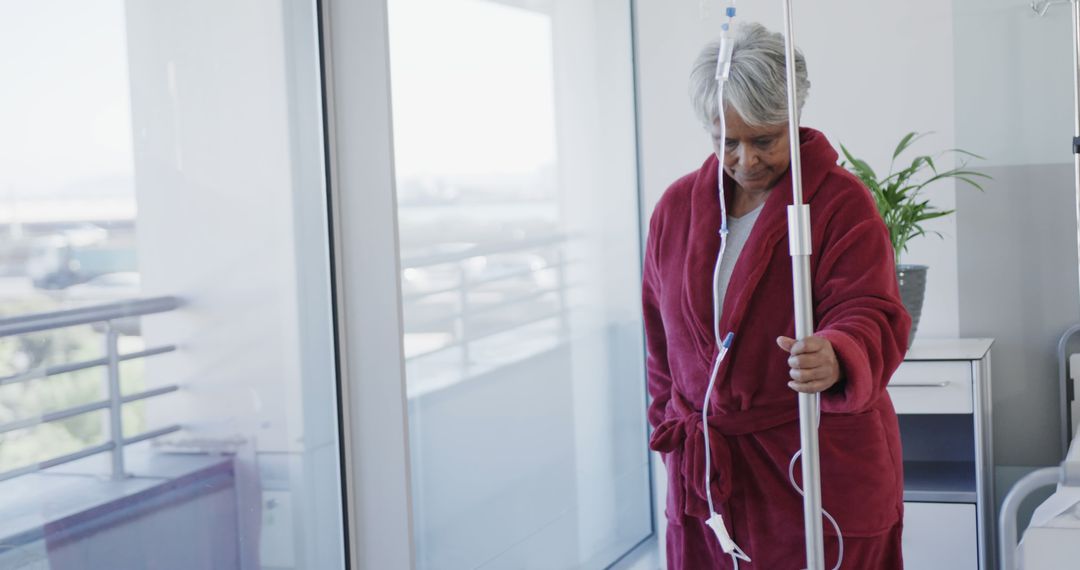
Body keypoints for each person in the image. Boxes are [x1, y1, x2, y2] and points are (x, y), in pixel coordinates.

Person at [643, 22, 911, 569]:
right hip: (710, 478)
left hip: (812, 466)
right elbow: (659, 344)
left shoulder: (840, 204)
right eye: (727, 142)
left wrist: (837, 354)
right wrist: (669, 429)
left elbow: (873, 311)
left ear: (793, 118)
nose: (745, 160)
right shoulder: (675, 211)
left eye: (764, 140)